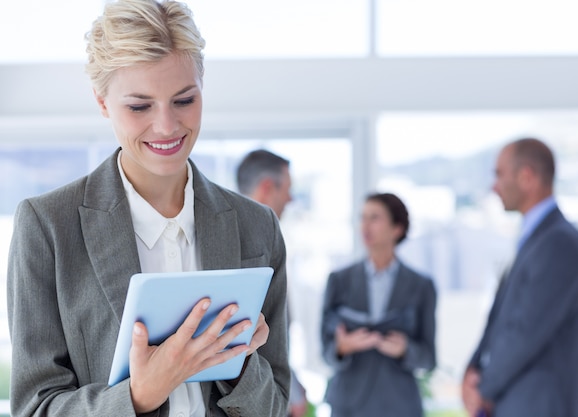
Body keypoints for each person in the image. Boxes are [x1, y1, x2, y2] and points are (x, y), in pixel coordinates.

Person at [6, 1, 290, 416]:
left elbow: (277, 405)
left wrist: (237, 358)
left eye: (184, 100)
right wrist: (139, 396)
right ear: (103, 103)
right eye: (140, 106)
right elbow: (35, 408)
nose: (166, 127)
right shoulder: (48, 226)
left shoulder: (257, 226)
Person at [461, 138, 578, 417]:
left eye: (499, 174)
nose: (494, 186)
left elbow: (525, 333)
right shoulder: (534, 239)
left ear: (527, 177)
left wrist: (483, 389)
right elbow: (502, 321)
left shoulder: (559, 243)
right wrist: (472, 371)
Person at [320, 192, 437, 417]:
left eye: (375, 218)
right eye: (362, 217)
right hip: (348, 405)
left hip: (400, 405)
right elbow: (324, 350)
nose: (365, 225)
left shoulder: (421, 286)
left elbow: (429, 358)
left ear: (397, 228)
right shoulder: (338, 280)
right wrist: (343, 347)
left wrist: (405, 349)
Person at [236, 149, 309, 417]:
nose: (290, 199)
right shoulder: (236, 246)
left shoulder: (268, 242)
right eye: (287, 189)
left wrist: (294, 387)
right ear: (268, 187)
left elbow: (278, 338)